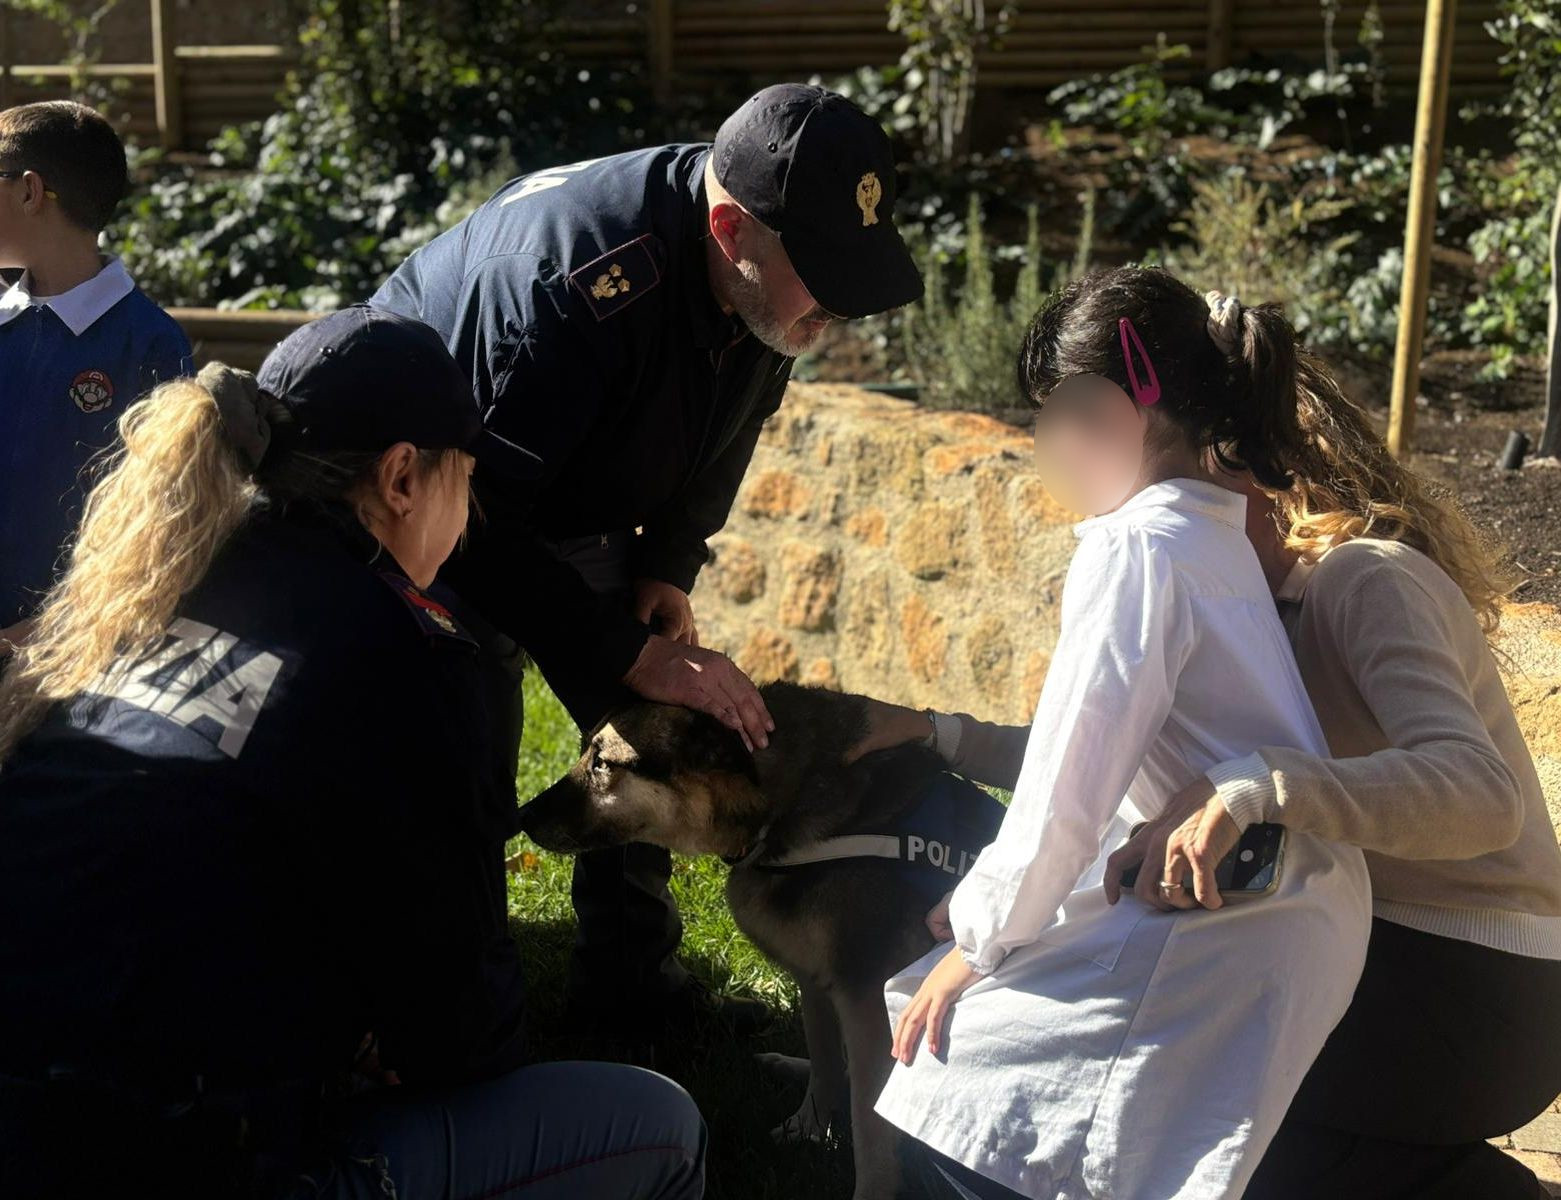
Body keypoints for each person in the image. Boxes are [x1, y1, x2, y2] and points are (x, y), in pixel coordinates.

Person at [854, 288, 1561, 1198]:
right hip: (1367, 940)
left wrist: (1257, 785)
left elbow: (1477, 791)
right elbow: (1098, 755)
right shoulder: (1230, 587)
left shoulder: (1364, 581)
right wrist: (943, 734)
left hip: (1475, 982)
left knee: (1177, 1092)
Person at [0, 307, 706, 1200]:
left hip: (31, 1116)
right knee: (655, 1127)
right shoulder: (407, 652)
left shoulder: (145, 586)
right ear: (402, 477)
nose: (470, 517)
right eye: (468, 482)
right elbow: (465, 1035)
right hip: (174, 1157)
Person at [371, 82, 924, 1042]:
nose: (836, 309)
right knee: (462, 747)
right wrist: (625, 648)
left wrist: (667, 566)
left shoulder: (764, 275)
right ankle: (447, 1012)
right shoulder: (571, 287)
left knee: (649, 737)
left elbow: (734, 423)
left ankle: (631, 987)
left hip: (555, 490)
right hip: (426, 506)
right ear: (728, 227)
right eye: (824, 277)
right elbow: (478, 524)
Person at [870, 267, 1372, 1200]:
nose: (1038, 443)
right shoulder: (1209, 534)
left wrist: (977, 944)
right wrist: (994, 908)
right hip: (1284, 905)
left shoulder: (1137, 545)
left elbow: (1070, 778)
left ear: (1109, 407)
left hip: (1230, 924)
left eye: (1047, 413)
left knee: (947, 1084)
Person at [0, 100, 192, 653]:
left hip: (79, 662)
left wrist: (53, 631)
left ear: (30, 192)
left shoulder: (150, 344)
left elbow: (163, 525)